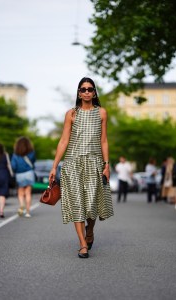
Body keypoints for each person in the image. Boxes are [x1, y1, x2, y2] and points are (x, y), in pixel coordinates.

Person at [49, 77, 114, 259]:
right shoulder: (71, 114)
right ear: (78, 92)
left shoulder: (101, 113)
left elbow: (104, 140)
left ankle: (90, 231)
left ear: (94, 92)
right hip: (72, 164)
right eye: (83, 89)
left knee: (92, 205)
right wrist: (54, 166)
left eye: (90, 89)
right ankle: (82, 244)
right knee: (77, 203)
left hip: (94, 163)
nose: (86, 92)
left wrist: (107, 165)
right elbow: (64, 140)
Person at [11, 137, 36, 218]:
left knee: (21, 193)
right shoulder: (32, 153)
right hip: (29, 173)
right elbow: (33, 162)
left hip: (20, 174)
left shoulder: (15, 155)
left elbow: (13, 166)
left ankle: (21, 205)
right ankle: (28, 212)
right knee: (28, 193)